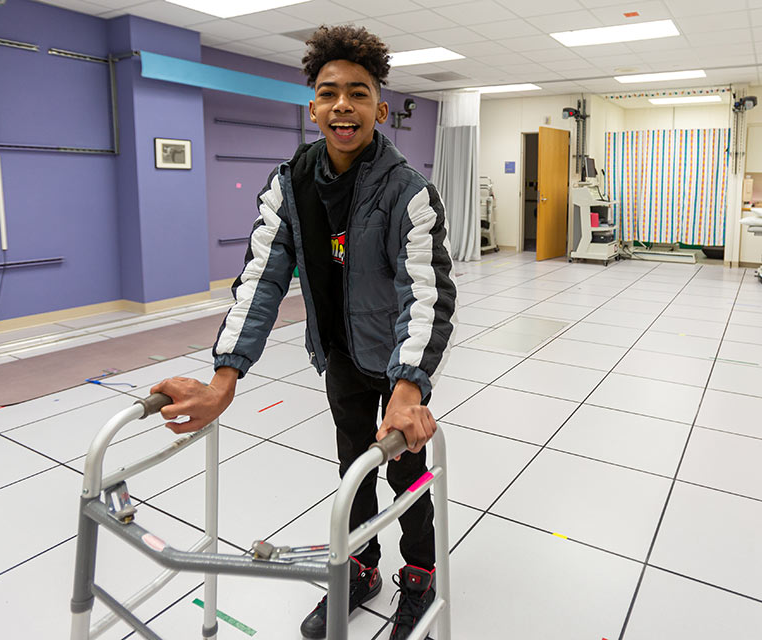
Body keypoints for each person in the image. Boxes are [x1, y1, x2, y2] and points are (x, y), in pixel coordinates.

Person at [151, 24, 457, 640]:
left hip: (395, 362)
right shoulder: (288, 185)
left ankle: (420, 575)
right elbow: (261, 279)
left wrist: (409, 387)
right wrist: (223, 379)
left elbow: (426, 294)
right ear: (313, 106)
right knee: (353, 469)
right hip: (339, 360)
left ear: (380, 106)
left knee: (406, 471)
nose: (343, 104)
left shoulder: (409, 194)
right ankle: (362, 566)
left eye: (359, 92)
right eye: (329, 92)